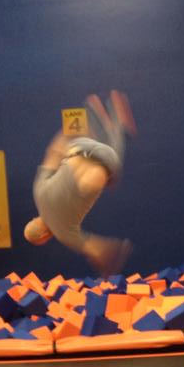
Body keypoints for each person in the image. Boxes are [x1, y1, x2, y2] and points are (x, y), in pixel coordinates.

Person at [23, 90, 136, 278]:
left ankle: (120, 128)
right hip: (79, 150)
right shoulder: (38, 191)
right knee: (88, 150)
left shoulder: (64, 234)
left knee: (103, 170)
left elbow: (100, 249)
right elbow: (53, 153)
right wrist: (65, 135)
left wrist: (106, 265)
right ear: (34, 220)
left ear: (44, 237)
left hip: (100, 168)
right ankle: (94, 110)